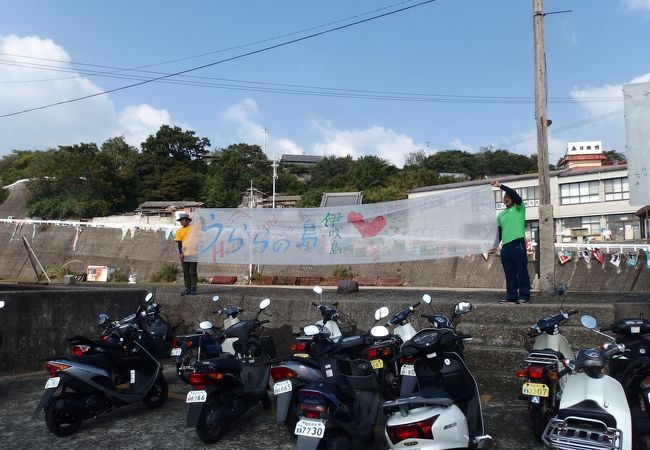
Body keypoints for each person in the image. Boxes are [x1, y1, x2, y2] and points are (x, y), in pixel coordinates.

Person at [491, 180, 530, 304]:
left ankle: (524, 296)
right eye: (504, 197)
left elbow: (514, 194)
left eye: (508, 197)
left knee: (521, 271)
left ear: (513, 199)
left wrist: (500, 186)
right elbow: (499, 233)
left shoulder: (519, 208)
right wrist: (495, 246)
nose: (506, 199)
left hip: (518, 245)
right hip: (506, 248)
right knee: (509, 274)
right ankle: (511, 296)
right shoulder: (501, 215)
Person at [174, 213, 197, 296]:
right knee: (186, 272)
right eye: (181, 220)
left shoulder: (193, 229)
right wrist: (180, 253)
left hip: (194, 253)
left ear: (188, 221)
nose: (182, 222)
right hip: (184, 254)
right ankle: (188, 288)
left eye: (183, 220)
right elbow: (179, 244)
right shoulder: (179, 231)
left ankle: (193, 289)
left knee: (193, 272)